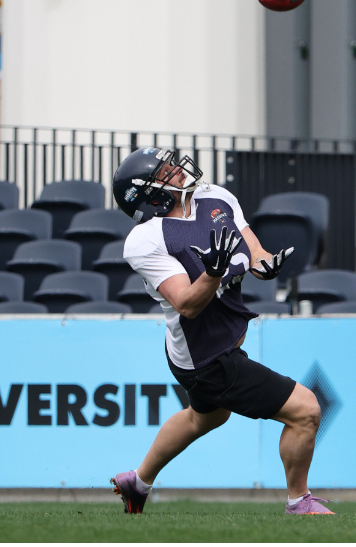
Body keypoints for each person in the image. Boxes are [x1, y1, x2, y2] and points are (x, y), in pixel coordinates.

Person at [108, 147, 333, 516]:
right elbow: (187, 304)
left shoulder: (216, 196)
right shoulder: (146, 240)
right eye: (164, 171)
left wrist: (263, 264)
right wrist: (212, 273)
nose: (177, 171)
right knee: (305, 410)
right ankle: (299, 501)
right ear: (150, 195)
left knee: (206, 417)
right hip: (206, 357)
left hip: (212, 346)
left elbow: (250, 245)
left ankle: (138, 482)